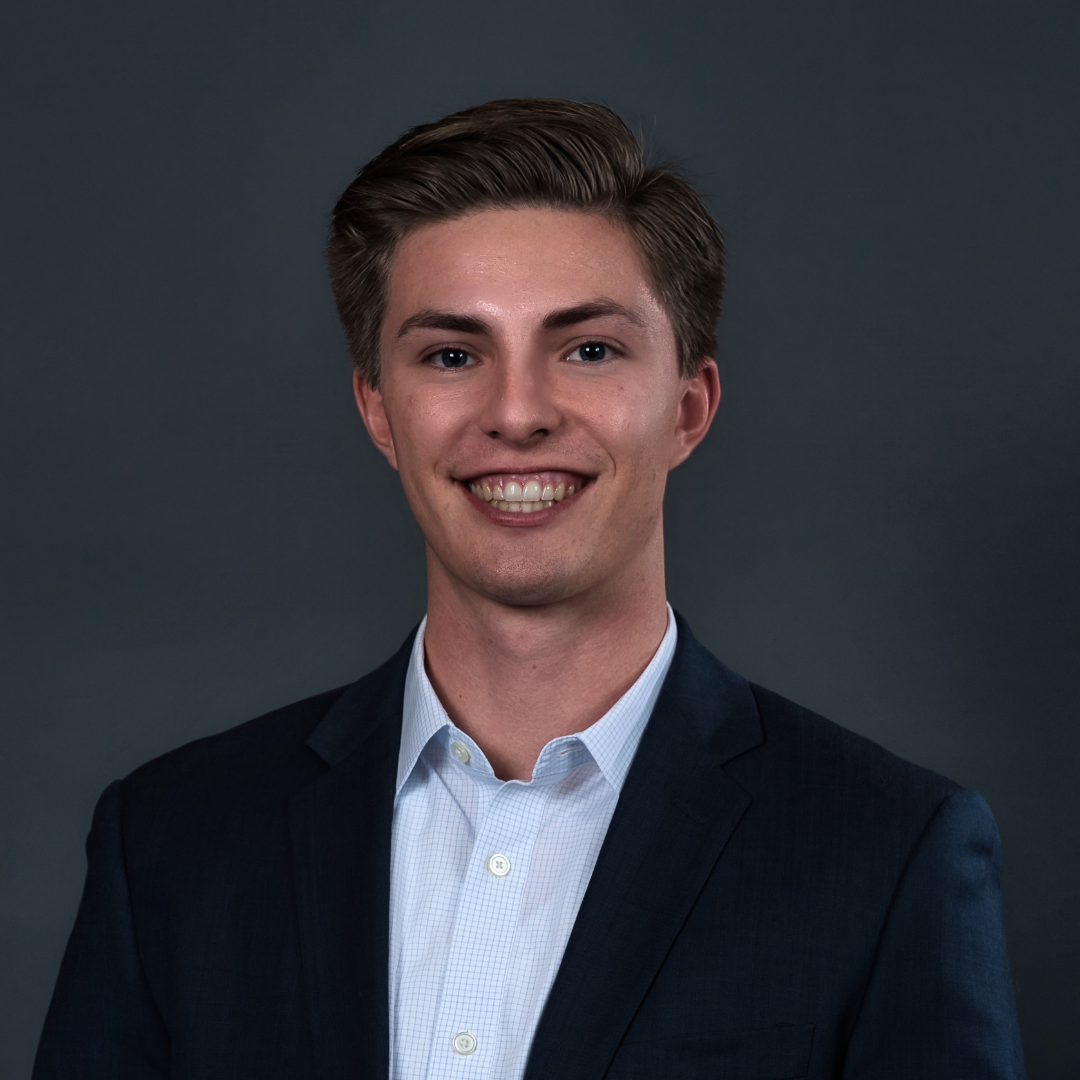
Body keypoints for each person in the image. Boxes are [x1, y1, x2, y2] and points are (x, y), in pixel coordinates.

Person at [34, 99, 1025, 1080]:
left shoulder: (887, 853)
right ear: (379, 412)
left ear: (689, 407)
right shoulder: (171, 843)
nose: (516, 414)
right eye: (453, 356)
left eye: (588, 349)